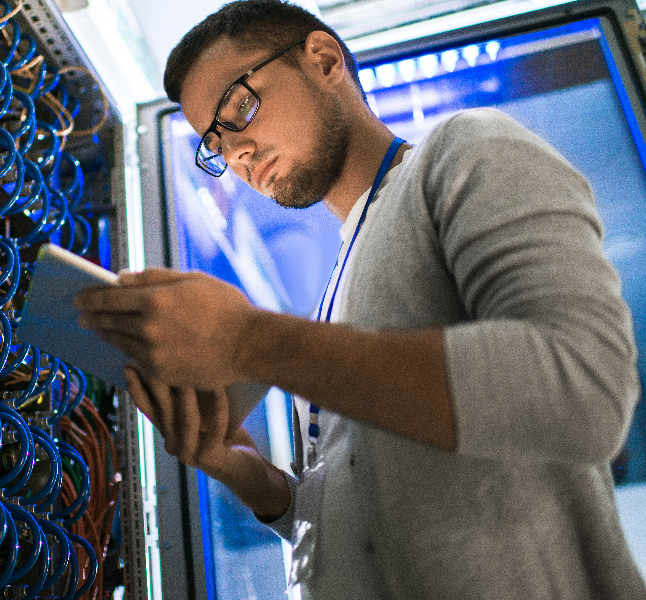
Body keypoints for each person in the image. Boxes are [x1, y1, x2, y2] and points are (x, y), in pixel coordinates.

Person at [74, 0, 646, 597]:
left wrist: (248, 340)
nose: (235, 152)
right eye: (214, 144)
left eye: (238, 106)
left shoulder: (465, 151)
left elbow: (582, 387)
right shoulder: (333, 291)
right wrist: (247, 475)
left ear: (323, 60)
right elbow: (359, 524)